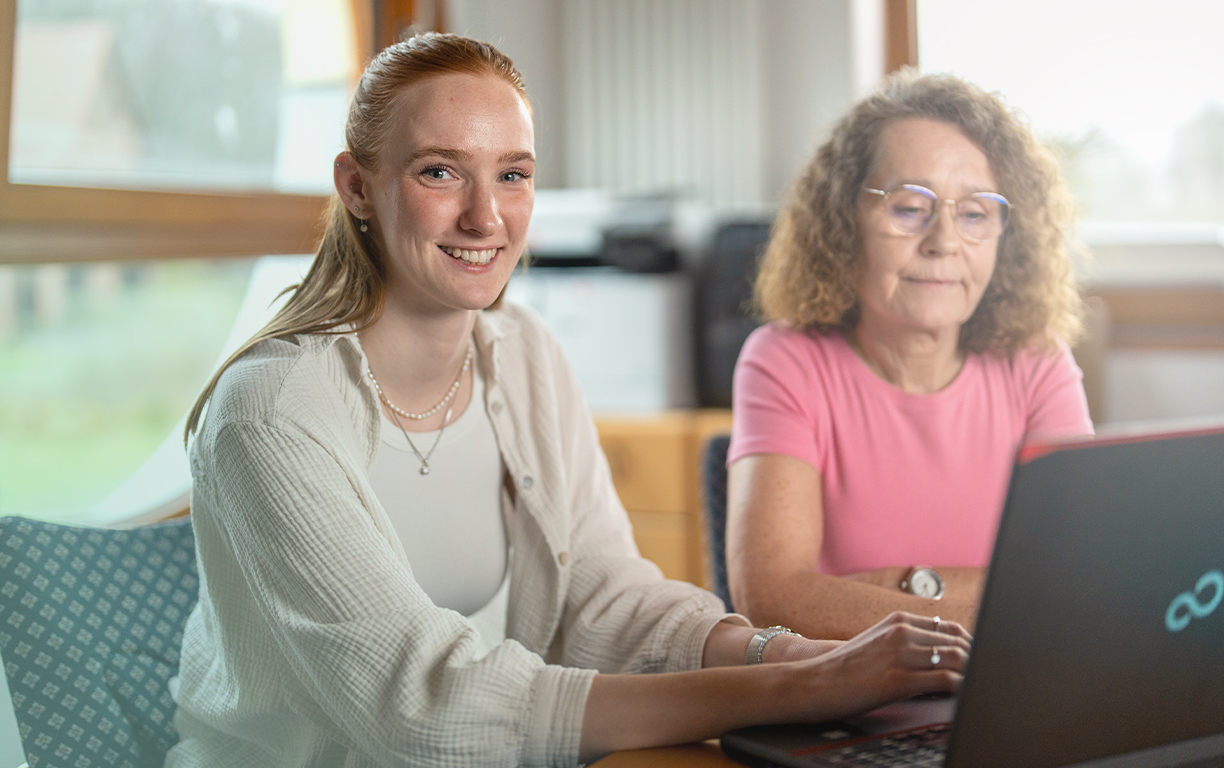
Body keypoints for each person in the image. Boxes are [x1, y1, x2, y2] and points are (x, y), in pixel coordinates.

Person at [166, 35, 971, 768]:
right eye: (440, 171)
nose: (486, 217)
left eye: (513, 174)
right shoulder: (270, 412)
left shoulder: (524, 355)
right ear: (358, 187)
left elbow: (604, 596)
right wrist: (799, 690)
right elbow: (420, 706)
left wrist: (802, 656)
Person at [727, 71, 1094, 642]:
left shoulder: (1039, 365)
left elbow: (1077, 578)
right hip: (848, 713)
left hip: (1001, 705)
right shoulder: (784, 360)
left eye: (974, 214)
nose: (944, 241)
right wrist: (1004, 611)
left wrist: (900, 585)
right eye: (908, 207)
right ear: (845, 221)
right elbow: (771, 597)